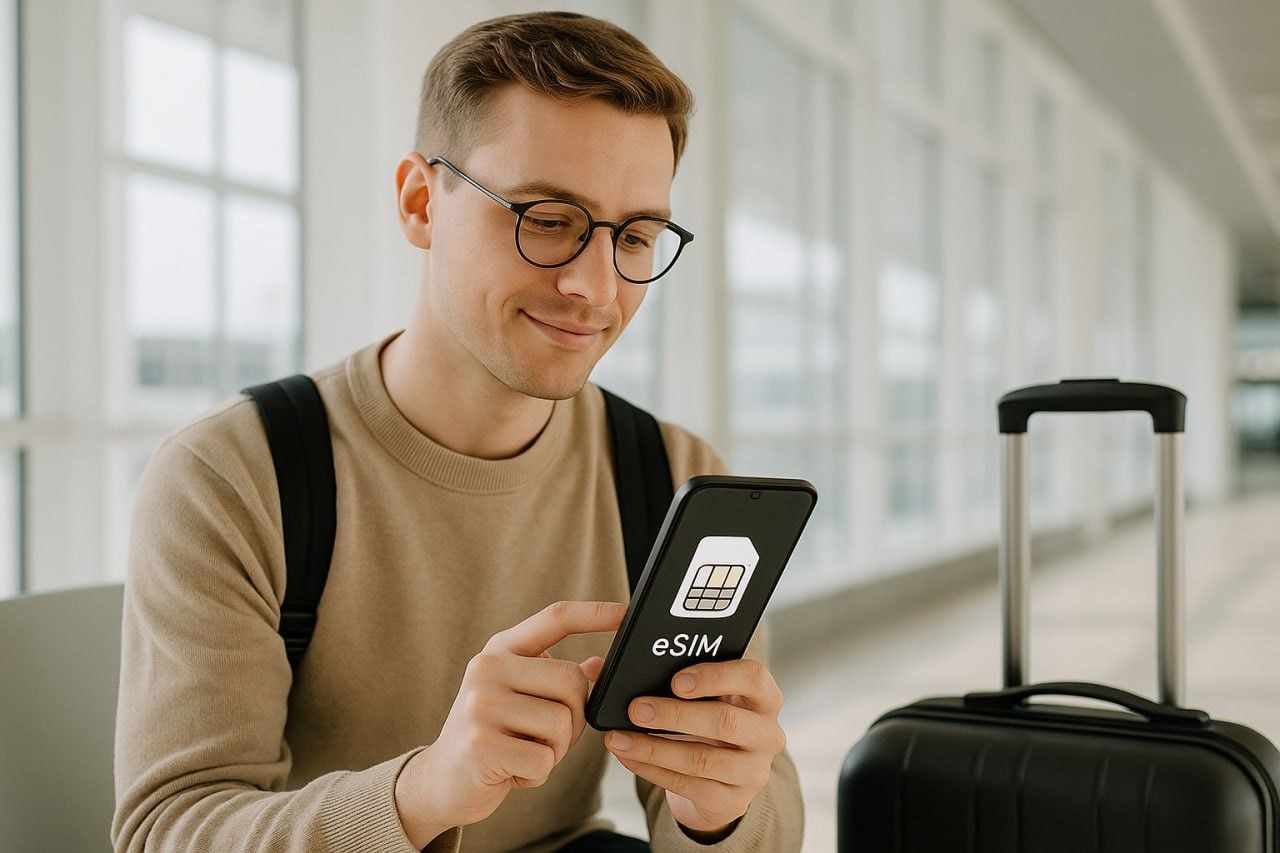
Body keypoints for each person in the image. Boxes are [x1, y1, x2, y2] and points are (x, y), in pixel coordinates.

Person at [111, 11, 804, 852]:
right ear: (418, 201)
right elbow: (167, 832)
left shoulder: (668, 472)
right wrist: (424, 791)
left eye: (635, 235)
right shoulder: (232, 476)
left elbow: (754, 831)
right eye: (548, 218)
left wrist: (718, 809)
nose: (595, 285)